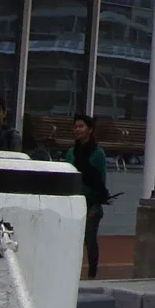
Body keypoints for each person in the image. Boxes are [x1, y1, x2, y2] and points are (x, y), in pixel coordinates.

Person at [65, 114, 111, 279]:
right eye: (75, 126)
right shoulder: (71, 152)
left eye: (81, 126)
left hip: (91, 203)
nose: (77, 129)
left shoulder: (98, 154)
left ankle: (92, 273)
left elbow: (100, 180)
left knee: (90, 239)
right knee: (72, 239)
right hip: (74, 202)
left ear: (90, 130)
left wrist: (97, 204)